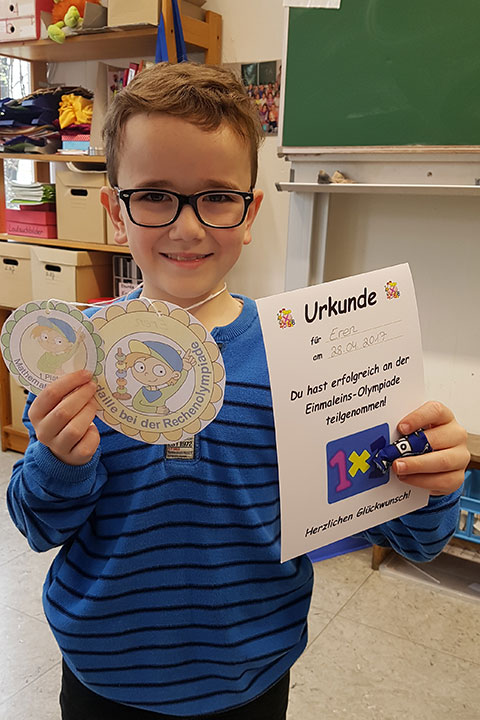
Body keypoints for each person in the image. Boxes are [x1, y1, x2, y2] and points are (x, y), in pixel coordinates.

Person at [7, 62, 470, 720]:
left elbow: (413, 539)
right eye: (154, 195)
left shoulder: (305, 363)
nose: (187, 227)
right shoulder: (79, 357)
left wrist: (432, 484)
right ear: (115, 212)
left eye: (217, 197)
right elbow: (35, 523)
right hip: (104, 677)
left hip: (250, 680)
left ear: (250, 212)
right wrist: (59, 461)